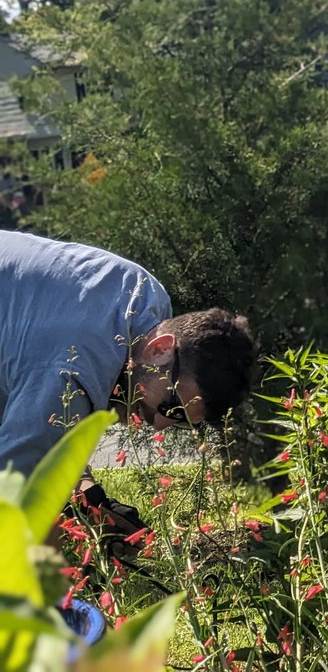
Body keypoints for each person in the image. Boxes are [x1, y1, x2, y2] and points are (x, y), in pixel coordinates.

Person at [0, 229, 257, 534]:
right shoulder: (74, 370)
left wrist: (82, 489)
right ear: (159, 349)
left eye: (182, 422)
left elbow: (42, 416)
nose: (161, 424)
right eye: (172, 407)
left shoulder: (147, 299)